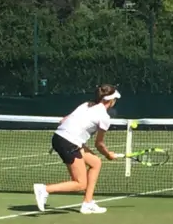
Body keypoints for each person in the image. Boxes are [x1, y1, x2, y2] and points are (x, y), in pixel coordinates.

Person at [33, 84, 119, 214]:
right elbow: (99, 144)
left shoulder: (86, 105)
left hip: (60, 138)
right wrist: (108, 155)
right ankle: (44, 189)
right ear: (111, 101)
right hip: (69, 142)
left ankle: (87, 203)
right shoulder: (104, 117)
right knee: (80, 183)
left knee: (95, 162)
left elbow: (64, 120)